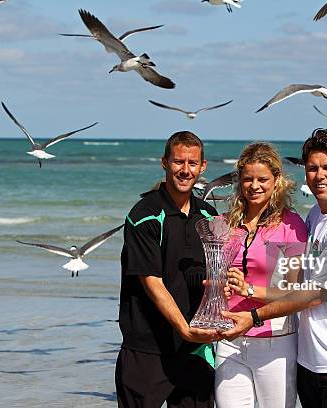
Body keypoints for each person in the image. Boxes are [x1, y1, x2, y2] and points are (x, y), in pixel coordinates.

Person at [223, 129, 327, 408]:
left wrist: (253, 316)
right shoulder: (317, 215)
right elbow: (298, 289)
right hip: (312, 359)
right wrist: (249, 288)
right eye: (312, 168)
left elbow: (314, 295)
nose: (319, 175)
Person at [116, 131, 220, 408]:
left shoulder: (210, 216)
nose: (185, 170)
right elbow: (151, 281)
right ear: (165, 163)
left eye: (192, 163)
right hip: (147, 347)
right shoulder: (144, 215)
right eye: (178, 162)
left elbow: (216, 274)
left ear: (203, 166)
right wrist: (184, 329)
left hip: (196, 348)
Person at [215, 142, 308, 408]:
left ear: (276, 180)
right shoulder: (225, 223)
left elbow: (294, 291)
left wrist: (249, 290)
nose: (254, 185)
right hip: (229, 338)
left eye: (262, 179)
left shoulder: (291, 226)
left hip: (275, 342)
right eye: (248, 179)